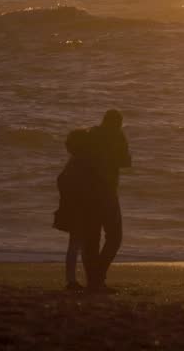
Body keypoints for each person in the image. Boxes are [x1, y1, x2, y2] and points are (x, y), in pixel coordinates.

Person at [84, 109, 131, 291]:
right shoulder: (117, 136)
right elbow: (125, 162)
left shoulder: (91, 135)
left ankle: (92, 280)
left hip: (87, 193)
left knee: (92, 239)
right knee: (114, 237)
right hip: (107, 192)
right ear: (117, 123)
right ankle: (98, 276)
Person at [53, 128, 102, 290]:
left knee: (76, 244)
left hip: (74, 208)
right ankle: (72, 280)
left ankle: (72, 279)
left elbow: (61, 181)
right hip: (80, 209)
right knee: (78, 244)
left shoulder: (73, 161)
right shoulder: (82, 161)